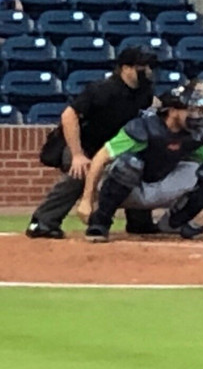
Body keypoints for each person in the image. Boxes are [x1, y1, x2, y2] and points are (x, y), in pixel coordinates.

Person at [76, 87, 203, 241]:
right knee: (129, 164)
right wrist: (86, 199)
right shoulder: (142, 128)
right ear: (173, 111)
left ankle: (175, 222)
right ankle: (100, 223)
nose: (196, 115)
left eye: (198, 110)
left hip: (161, 184)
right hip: (129, 188)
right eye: (190, 110)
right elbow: (101, 157)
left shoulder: (194, 136)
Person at [25, 46, 157, 240]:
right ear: (125, 68)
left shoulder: (143, 93)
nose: (147, 71)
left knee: (134, 166)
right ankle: (42, 221)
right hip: (78, 144)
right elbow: (69, 116)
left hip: (110, 147)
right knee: (81, 171)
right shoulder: (102, 89)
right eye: (142, 66)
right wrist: (77, 154)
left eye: (148, 66)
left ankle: (139, 221)